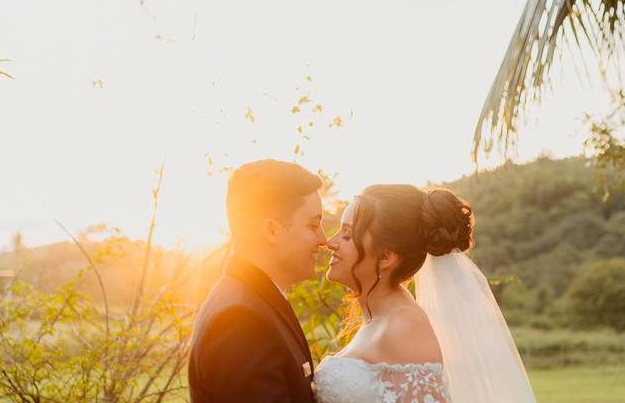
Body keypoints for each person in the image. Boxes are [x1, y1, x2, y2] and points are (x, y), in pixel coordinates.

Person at [314, 184, 537, 403]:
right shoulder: (380, 318)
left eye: (347, 235)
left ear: (386, 257)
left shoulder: (404, 327)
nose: (330, 242)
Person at [188, 159, 327, 403]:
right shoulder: (240, 320)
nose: (323, 239)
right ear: (272, 231)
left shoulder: (254, 300)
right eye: (313, 225)